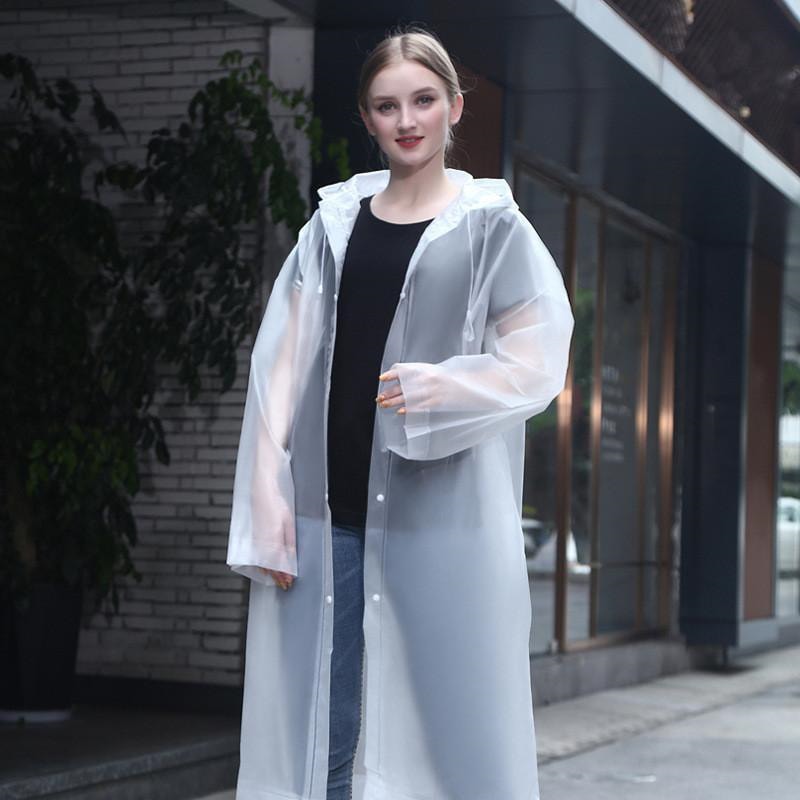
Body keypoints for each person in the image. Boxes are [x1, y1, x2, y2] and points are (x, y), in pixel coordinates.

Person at [226, 25, 574, 800]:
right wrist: (266, 492)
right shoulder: (332, 226)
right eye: (387, 106)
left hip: (441, 520)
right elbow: (280, 364)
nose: (407, 120)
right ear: (367, 118)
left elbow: (539, 360)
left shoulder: (490, 226)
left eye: (423, 100)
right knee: (325, 723)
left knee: (448, 727)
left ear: (455, 106)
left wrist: (448, 386)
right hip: (330, 515)